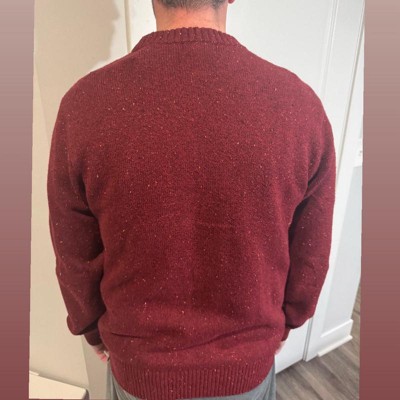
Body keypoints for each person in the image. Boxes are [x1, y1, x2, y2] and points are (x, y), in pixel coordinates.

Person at [46, 1, 336, 399]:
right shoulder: (299, 107)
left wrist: (92, 328)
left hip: (140, 370)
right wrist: (285, 323)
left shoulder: (83, 107)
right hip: (245, 368)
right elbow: (311, 253)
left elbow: (74, 252)